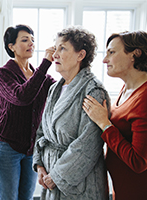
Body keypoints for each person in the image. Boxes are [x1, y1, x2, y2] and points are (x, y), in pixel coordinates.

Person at [32, 26, 110, 200]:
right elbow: (42, 131)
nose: (55, 54)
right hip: (50, 175)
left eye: (62, 48)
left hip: (78, 183)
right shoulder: (54, 89)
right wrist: (39, 165)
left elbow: (89, 144)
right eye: (55, 47)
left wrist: (57, 176)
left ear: (80, 55)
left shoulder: (93, 91)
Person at [82, 31, 147, 200]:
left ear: (135, 54)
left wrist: (104, 123)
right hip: (123, 191)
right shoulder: (126, 91)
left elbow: (139, 162)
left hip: (142, 193)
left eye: (112, 52)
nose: (105, 60)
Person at [0, 24, 56, 200]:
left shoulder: (41, 76)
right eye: (25, 40)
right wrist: (46, 63)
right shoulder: (3, 73)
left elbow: (61, 91)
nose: (31, 44)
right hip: (7, 146)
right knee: (8, 196)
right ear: (11, 46)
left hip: (31, 148)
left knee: (26, 196)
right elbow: (22, 97)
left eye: (33, 40)